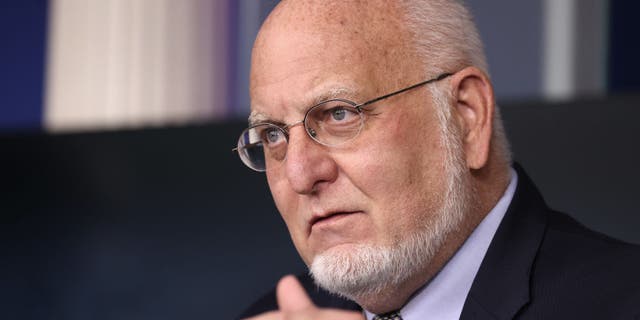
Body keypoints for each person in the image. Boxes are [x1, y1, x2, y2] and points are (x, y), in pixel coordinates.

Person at [235, 0, 640, 319]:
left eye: (339, 114)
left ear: (467, 116)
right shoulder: (274, 316)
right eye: (273, 135)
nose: (301, 173)